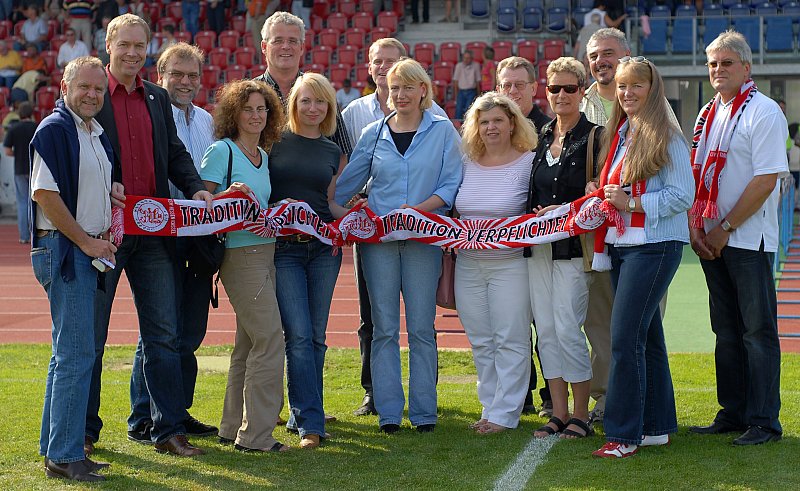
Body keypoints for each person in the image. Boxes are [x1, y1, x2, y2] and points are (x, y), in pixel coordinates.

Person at [86, 13, 213, 458]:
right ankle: (85, 431)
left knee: (164, 334)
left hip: (154, 235)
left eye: (139, 46)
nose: (132, 53)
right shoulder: (91, 92)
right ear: (109, 46)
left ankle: (168, 430)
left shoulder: (157, 97)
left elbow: (174, 152)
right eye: (125, 45)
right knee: (93, 337)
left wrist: (195, 187)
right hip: (105, 232)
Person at [334, 58, 463, 434]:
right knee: (385, 329)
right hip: (379, 245)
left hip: (424, 241)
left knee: (422, 328)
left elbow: (450, 184)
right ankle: (389, 413)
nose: (401, 94)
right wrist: (336, 209)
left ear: (423, 90)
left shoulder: (442, 130)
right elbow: (346, 185)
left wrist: (415, 213)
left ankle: (424, 413)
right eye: (394, 88)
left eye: (409, 87)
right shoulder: (373, 133)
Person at [591, 56, 693, 458]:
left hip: (654, 246)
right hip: (623, 245)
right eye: (622, 86)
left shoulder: (667, 135)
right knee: (648, 339)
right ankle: (655, 427)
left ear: (653, 89)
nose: (628, 93)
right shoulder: (621, 134)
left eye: (636, 85)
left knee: (624, 338)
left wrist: (632, 202)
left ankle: (623, 435)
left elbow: (682, 195)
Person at [688, 31, 786, 446]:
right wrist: (697, 226)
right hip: (711, 239)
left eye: (726, 63)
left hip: (746, 240)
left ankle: (764, 421)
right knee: (726, 330)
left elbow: (765, 180)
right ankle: (733, 412)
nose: (718, 70)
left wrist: (724, 229)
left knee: (756, 332)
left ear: (746, 67)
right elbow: (696, 174)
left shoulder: (763, 111)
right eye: (713, 63)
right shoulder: (708, 112)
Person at [580, 27, 678, 425]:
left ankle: (625, 422)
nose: (600, 61)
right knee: (612, 328)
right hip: (607, 239)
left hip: (648, 238)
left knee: (631, 334)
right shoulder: (584, 103)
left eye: (608, 53)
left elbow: (677, 186)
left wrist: (632, 202)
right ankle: (646, 418)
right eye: (594, 55)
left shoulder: (659, 118)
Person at [124, 42, 219, 443]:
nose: (185, 82)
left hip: (199, 236)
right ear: (160, 75)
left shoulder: (208, 121)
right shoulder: (149, 113)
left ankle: (176, 410)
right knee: (159, 329)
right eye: (176, 74)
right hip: (160, 234)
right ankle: (142, 417)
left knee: (191, 330)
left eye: (192, 75)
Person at [30, 55, 116, 482]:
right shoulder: (55, 129)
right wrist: (85, 241)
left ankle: (56, 449)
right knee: (77, 354)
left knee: (66, 354)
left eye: (98, 88)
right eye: (84, 86)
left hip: (80, 250)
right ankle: (66, 455)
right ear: (65, 87)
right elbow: (45, 195)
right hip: (66, 250)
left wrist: (110, 194)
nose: (92, 94)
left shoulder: (94, 133)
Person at [201, 79, 289, 453]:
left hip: (266, 253)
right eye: (247, 109)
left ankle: (230, 426)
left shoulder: (263, 156)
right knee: (270, 340)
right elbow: (200, 206)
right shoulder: (222, 151)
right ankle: (256, 437)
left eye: (261, 109)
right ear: (233, 114)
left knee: (248, 344)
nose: (255, 116)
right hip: (240, 257)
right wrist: (226, 195)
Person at [269, 73, 349, 449]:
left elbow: (328, 203)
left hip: (323, 251)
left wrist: (358, 217)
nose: (313, 108)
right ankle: (310, 426)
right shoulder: (274, 141)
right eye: (306, 101)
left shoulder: (333, 151)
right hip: (284, 250)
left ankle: (304, 414)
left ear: (329, 107)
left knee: (316, 337)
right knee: (298, 335)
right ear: (294, 104)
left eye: (320, 101)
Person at [527, 58, 602, 440]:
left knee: (568, 327)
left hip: (574, 247)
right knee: (546, 330)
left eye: (569, 88)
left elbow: (601, 191)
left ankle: (581, 414)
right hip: (539, 248)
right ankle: (557, 412)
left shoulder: (596, 136)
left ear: (582, 91)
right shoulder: (541, 134)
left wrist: (566, 209)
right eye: (554, 88)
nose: (561, 95)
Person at [454, 92, 536, 434]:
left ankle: (506, 413)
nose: (491, 127)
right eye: (484, 121)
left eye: (498, 120)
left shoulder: (529, 162)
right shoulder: (466, 162)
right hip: (468, 264)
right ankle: (489, 407)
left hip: (510, 264)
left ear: (512, 123)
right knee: (481, 340)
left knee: (510, 339)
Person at [495, 55, 551, 416]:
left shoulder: (550, 129)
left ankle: (552, 395)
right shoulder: (492, 127)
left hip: (542, 241)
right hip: (503, 244)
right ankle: (521, 394)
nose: (512, 91)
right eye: (506, 84)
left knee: (545, 324)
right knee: (510, 325)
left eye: (519, 84)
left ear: (534, 87)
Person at [254, 11, 352, 158]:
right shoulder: (249, 94)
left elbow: (343, 153)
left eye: (293, 41)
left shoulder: (321, 91)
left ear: (302, 47)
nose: (285, 46)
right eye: (278, 40)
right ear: (264, 46)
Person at [3, 101, 37, 243]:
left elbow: (7, 151)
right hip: (35, 169)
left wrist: (17, 154)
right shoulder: (37, 127)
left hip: (19, 168)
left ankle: (24, 236)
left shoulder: (14, 128)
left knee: (22, 203)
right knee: (35, 203)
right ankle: (35, 235)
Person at [453, 49, 480, 120]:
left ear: (472, 58)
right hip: (461, 92)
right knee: (458, 110)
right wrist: (456, 96)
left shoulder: (476, 65)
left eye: (468, 58)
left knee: (469, 110)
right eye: (465, 58)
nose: (466, 60)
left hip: (472, 91)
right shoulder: (458, 66)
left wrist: (478, 94)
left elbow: (478, 81)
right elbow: (455, 81)